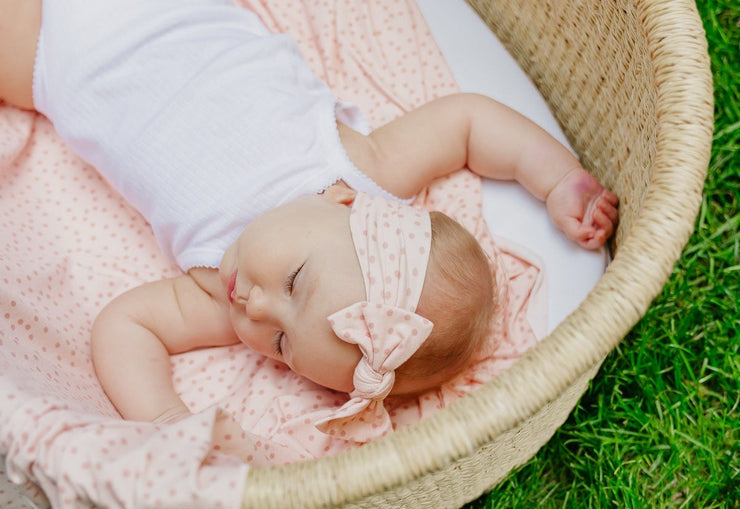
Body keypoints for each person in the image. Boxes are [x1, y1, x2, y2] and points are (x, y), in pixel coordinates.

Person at [0, 0, 618, 445]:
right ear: (349, 207)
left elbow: (124, 326)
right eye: (295, 282)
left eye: (280, 347)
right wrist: (558, 178)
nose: (259, 310)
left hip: (48, 54)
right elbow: (468, 122)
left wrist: (165, 424)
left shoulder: (218, 289)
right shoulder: (356, 166)